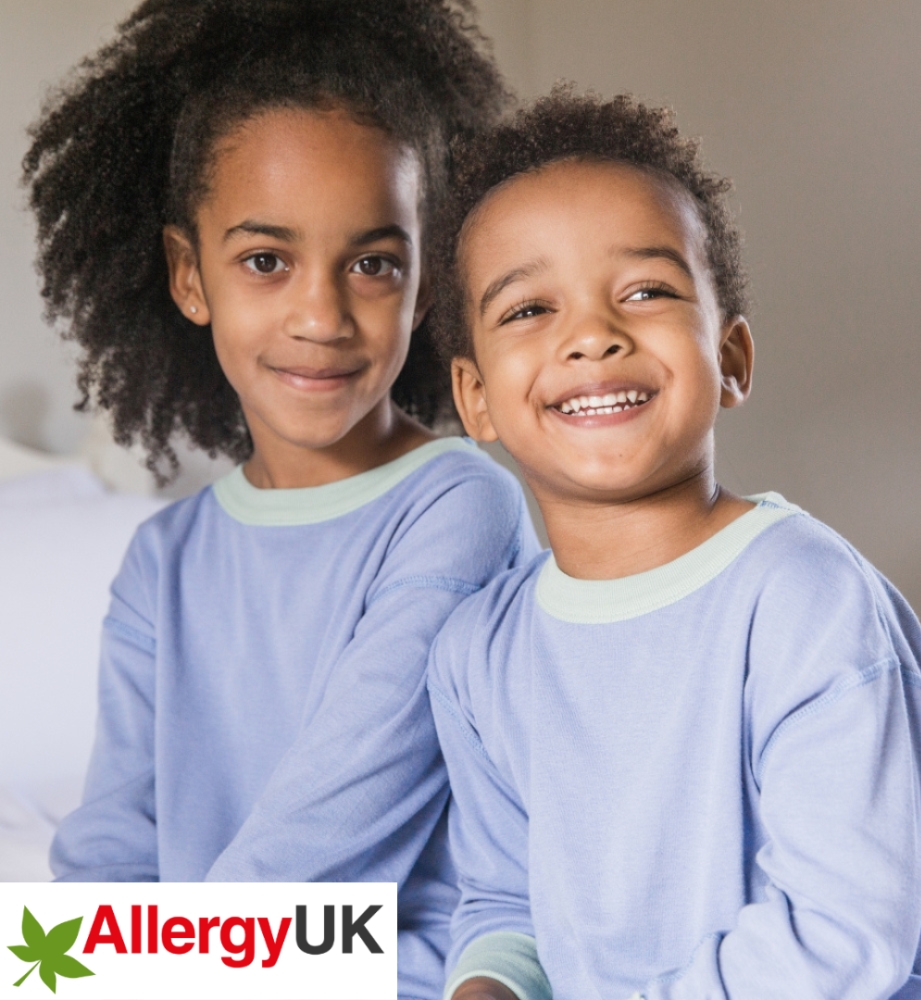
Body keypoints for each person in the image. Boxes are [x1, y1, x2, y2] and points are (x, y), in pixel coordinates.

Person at [425, 89, 921, 1000]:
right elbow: (504, 902)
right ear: (476, 397)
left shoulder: (806, 597)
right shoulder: (476, 653)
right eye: (529, 309)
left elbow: (842, 936)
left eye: (646, 292)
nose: (592, 337)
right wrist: (486, 986)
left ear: (730, 359)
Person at [25, 3, 538, 997]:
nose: (322, 315)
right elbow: (108, 847)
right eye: (267, 260)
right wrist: (82, 968)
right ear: (189, 276)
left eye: (373, 264)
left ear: (427, 281)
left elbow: (334, 820)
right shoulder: (163, 560)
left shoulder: (459, 505)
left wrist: (146, 969)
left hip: (394, 970)